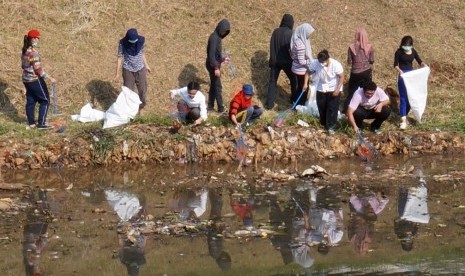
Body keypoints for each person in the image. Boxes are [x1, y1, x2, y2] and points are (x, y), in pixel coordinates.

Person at [21, 29, 57, 130]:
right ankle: (42, 123)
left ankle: (31, 123)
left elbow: (23, 65)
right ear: (32, 39)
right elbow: (38, 69)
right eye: (37, 38)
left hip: (26, 79)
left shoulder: (25, 50)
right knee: (45, 100)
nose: (38, 40)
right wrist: (50, 78)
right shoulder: (33, 53)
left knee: (31, 100)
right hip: (34, 79)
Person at [394, 35, 427, 130]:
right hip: (403, 76)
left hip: (412, 77)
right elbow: (395, 65)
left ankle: (406, 114)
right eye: (405, 45)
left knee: (411, 97)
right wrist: (400, 71)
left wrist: (424, 65)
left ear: (411, 45)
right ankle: (403, 120)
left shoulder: (413, 51)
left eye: (408, 45)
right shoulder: (399, 52)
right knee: (403, 98)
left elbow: (420, 61)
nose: (406, 47)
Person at [115, 28, 151, 113]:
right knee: (128, 91)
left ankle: (141, 107)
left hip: (140, 69)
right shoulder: (122, 44)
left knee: (142, 89)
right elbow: (120, 57)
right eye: (131, 41)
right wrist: (117, 73)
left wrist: (147, 65)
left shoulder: (140, 41)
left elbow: (142, 53)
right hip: (128, 70)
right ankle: (130, 109)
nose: (133, 43)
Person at [265, 14, 297, 110]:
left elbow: (272, 45)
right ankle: (294, 100)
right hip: (287, 62)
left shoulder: (275, 31)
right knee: (294, 80)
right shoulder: (291, 33)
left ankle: (269, 104)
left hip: (275, 61)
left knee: (272, 82)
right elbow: (292, 49)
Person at [309, 50, 344, 135]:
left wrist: (337, 89)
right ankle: (324, 123)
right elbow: (308, 72)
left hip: (333, 88)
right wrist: (305, 84)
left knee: (332, 108)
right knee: (321, 106)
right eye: (320, 61)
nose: (322, 63)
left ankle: (331, 126)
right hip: (321, 88)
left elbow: (342, 77)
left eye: (323, 61)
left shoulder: (336, 65)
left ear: (328, 58)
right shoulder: (315, 63)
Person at [343, 28, 374, 114]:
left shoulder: (351, 47)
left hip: (355, 73)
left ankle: (346, 110)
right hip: (366, 72)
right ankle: (366, 109)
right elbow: (372, 60)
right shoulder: (370, 47)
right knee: (366, 91)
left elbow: (349, 61)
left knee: (352, 92)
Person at [206, 19, 231, 113]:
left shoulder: (217, 37)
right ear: (220, 28)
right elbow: (211, 55)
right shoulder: (214, 38)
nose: (224, 33)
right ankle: (221, 109)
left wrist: (222, 59)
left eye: (226, 32)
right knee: (218, 86)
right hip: (212, 66)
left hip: (214, 64)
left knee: (213, 86)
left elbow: (216, 54)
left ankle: (210, 107)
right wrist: (216, 68)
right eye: (224, 30)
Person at [290, 23, 315, 106]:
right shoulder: (301, 45)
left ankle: (295, 101)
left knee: (299, 88)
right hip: (301, 71)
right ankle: (300, 104)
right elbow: (301, 61)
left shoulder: (297, 41)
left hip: (295, 68)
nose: (309, 35)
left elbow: (293, 55)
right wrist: (311, 62)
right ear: (304, 32)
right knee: (303, 88)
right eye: (308, 33)